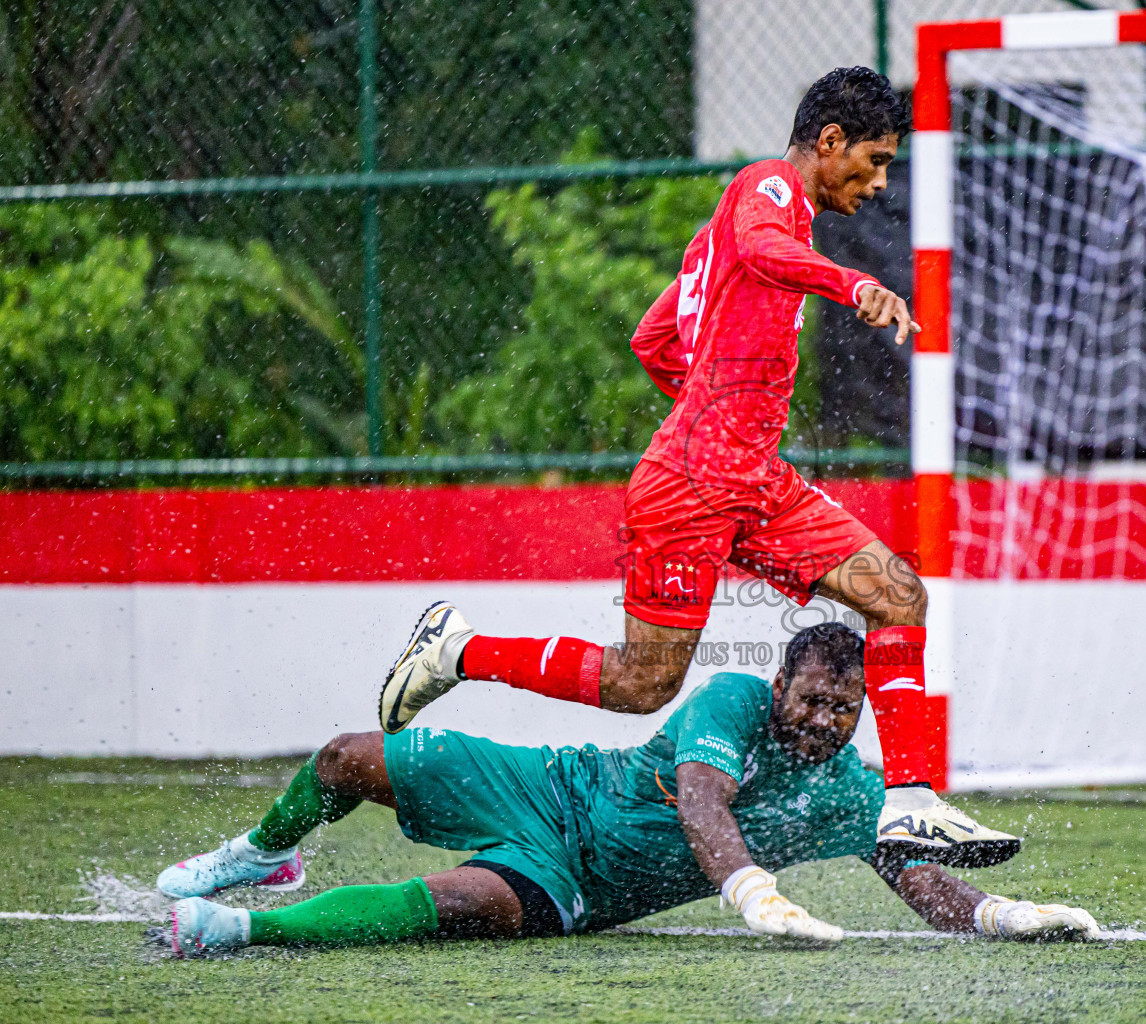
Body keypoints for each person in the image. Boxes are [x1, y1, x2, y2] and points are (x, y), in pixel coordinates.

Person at [378, 65, 1015, 868]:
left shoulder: (717, 242)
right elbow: (760, 245)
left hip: (748, 476)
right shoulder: (770, 188)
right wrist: (852, 284)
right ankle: (457, 651)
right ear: (829, 142)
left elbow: (653, 339)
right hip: (690, 485)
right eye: (876, 159)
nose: (881, 181)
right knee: (642, 685)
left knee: (894, 592)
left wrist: (712, 412)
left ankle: (913, 803)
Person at [162, 625, 1094, 956]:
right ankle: (263, 855)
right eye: (814, 700)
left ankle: (243, 930)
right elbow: (701, 801)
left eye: (845, 711)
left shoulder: (856, 792)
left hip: (582, 888)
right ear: (782, 688)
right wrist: (752, 894)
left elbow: (918, 878)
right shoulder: (732, 698)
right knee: (344, 759)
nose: (826, 721)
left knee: (454, 906)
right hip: (550, 787)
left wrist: (1002, 915)